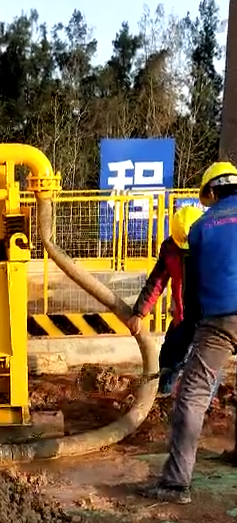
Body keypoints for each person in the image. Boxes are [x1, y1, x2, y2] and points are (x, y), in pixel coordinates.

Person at [137, 161, 237, 504]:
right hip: (217, 316)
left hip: (220, 319)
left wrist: (187, 342)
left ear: (211, 192)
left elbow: (193, 299)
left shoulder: (203, 227)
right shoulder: (174, 246)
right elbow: (158, 282)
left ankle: (175, 484)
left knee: (192, 395)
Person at [127, 205, 204, 396]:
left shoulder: (211, 248)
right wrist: (139, 313)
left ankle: (202, 404)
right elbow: (157, 281)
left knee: (201, 366)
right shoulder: (170, 249)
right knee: (168, 357)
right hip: (181, 318)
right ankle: (163, 394)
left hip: (207, 319)